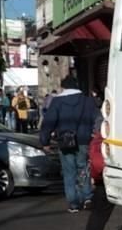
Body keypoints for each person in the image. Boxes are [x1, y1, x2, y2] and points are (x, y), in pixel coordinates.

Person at [40, 81, 97, 213]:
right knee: (83, 168)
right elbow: (96, 118)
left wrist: (45, 141)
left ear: (63, 87)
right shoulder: (88, 101)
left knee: (69, 172)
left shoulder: (57, 102)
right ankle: (87, 196)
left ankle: (73, 203)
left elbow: (49, 122)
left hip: (65, 141)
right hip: (84, 140)